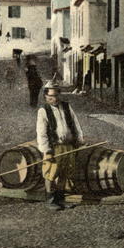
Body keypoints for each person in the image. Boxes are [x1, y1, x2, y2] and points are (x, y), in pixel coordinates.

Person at [36, 79, 84, 210]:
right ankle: (50, 201)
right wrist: (46, 150)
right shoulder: (43, 111)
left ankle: (60, 198)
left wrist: (79, 139)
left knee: (64, 173)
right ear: (46, 96)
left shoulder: (67, 106)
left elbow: (76, 124)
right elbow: (41, 133)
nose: (54, 99)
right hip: (54, 148)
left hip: (68, 146)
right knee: (50, 174)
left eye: (56, 95)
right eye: (51, 96)